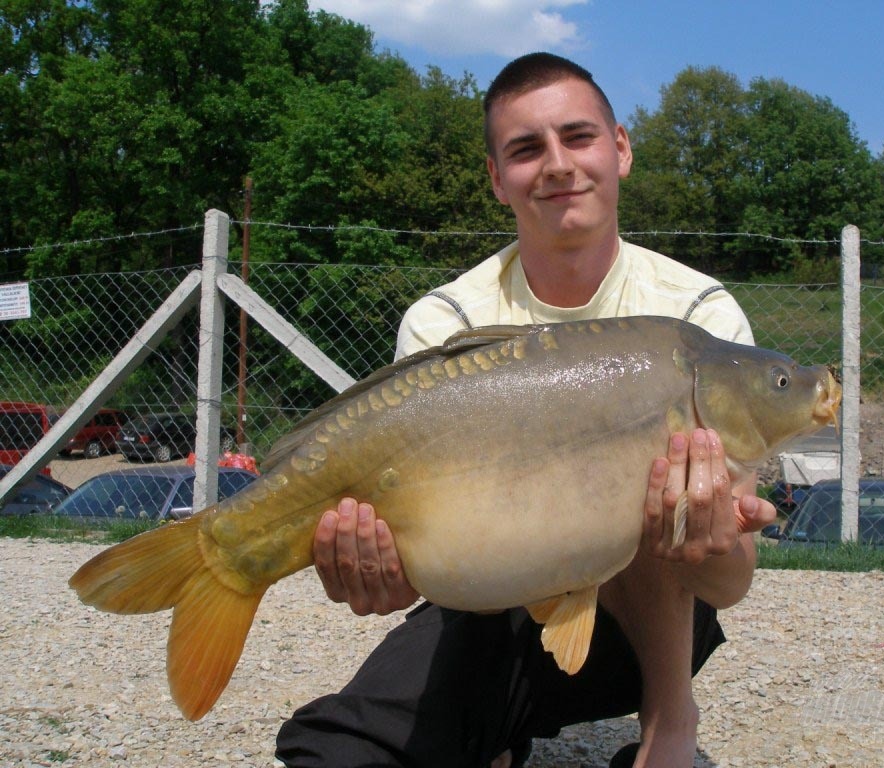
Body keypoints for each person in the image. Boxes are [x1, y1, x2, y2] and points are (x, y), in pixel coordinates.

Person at [276, 52, 776, 768]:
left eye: (578, 137)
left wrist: (714, 534)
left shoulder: (697, 318)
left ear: (621, 148)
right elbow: (432, 567)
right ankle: (492, 733)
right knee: (344, 756)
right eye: (524, 149)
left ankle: (670, 726)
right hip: (489, 617)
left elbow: (731, 582)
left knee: (653, 473)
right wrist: (382, 570)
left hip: (645, 631)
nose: (556, 165)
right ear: (495, 178)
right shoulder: (445, 318)